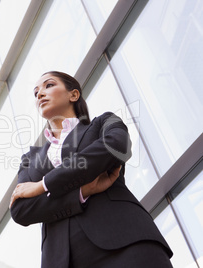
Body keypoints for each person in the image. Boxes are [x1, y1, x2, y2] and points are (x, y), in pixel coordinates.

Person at [9, 71, 173, 267]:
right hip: (62, 261)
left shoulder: (104, 122)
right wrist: (82, 191)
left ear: (74, 95)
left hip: (126, 242)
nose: (40, 94)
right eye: (36, 92)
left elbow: (116, 146)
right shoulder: (30, 159)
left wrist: (44, 185)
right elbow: (20, 210)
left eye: (49, 85)